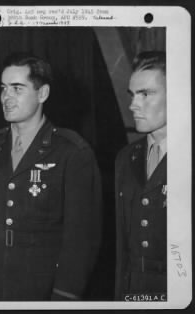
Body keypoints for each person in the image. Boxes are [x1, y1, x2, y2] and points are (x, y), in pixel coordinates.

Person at [0, 52, 102, 301]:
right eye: (3, 88)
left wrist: (64, 298)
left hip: (42, 291)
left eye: (17, 89)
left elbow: (81, 239)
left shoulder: (71, 151)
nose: (6, 97)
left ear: (42, 94)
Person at [114, 51, 167, 301]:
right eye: (132, 95)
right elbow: (123, 250)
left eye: (146, 94)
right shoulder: (126, 158)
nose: (133, 104)